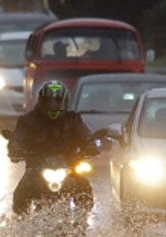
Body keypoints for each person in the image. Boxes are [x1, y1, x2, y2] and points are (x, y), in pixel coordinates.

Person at [7, 80, 98, 215]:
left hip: (70, 167)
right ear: (41, 101)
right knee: (21, 192)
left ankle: (81, 222)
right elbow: (19, 136)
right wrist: (15, 148)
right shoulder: (28, 120)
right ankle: (22, 224)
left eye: (57, 101)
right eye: (49, 101)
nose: (53, 105)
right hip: (37, 167)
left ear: (65, 102)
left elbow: (85, 134)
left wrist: (90, 145)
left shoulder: (73, 119)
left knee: (83, 187)